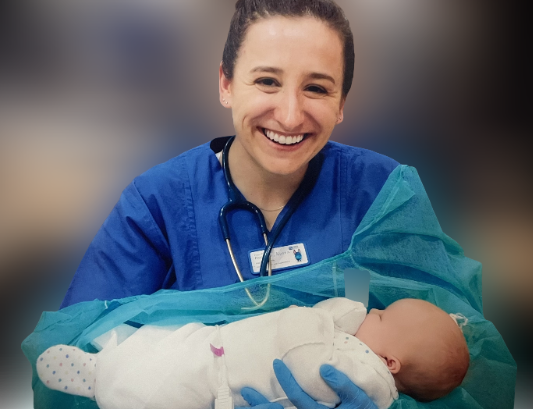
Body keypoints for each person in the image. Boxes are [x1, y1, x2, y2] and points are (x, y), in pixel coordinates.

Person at [57, 1, 449, 408]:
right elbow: (76, 359)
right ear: (226, 84)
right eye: (267, 81)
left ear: (341, 103)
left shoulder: (378, 194)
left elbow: (448, 354)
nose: (290, 114)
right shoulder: (158, 204)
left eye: (316, 88)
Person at [37, 298, 469, 409]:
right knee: (168, 341)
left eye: (383, 315)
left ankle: (104, 381)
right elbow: (339, 311)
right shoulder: (160, 192)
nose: (373, 308)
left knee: (168, 386)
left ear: (390, 362)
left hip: (218, 380)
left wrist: (315, 318)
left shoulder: (366, 378)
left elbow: (304, 355)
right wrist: (342, 315)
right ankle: (111, 355)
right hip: (216, 343)